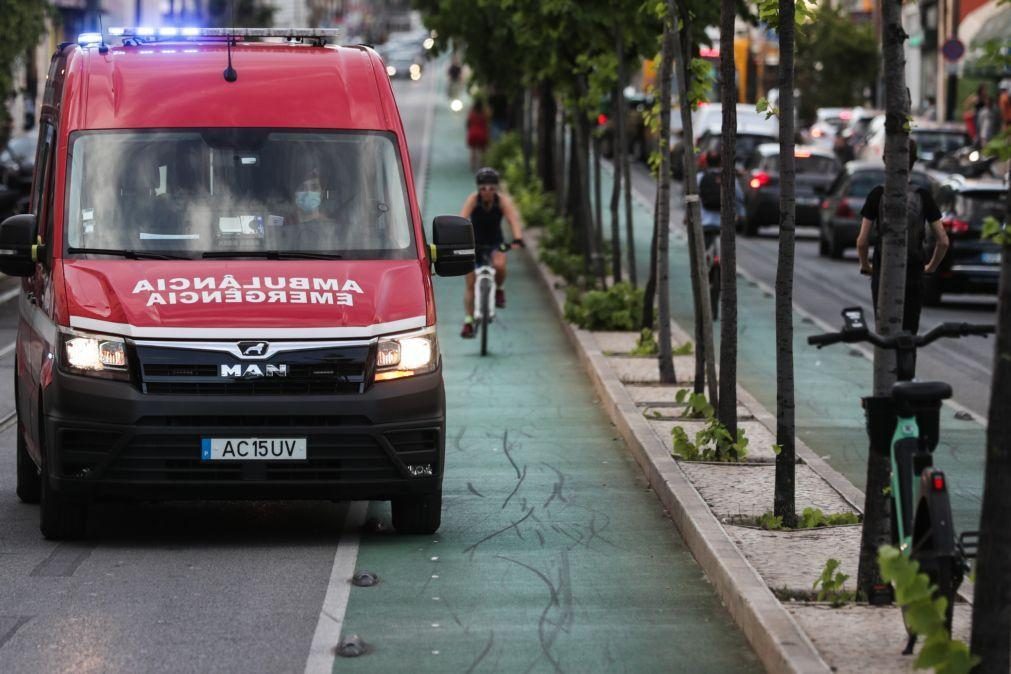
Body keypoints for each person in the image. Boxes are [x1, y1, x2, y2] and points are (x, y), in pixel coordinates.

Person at [856, 139, 949, 336]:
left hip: (884, 271)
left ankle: (885, 365)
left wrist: (866, 266)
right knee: (909, 334)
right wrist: (930, 267)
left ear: (884, 159)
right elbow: (943, 241)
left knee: (885, 331)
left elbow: (862, 241)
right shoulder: (923, 195)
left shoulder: (877, 194)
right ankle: (906, 364)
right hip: (914, 270)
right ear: (914, 161)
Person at [458, 167, 524, 338]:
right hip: (475, 243)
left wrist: (517, 238)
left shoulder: (502, 201)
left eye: (491, 188)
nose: (487, 191)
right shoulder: (473, 200)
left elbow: (513, 219)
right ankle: (468, 321)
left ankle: (499, 289)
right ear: (478, 189)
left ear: (496, 189)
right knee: (470, 282)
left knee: (500, 265)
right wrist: (457, 237)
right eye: (483, 188)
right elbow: (462, 219)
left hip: (496, 242)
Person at [696, 148, 744, 232]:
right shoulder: (729, 177)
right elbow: (739, 196)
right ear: (720, 162)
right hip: (725, 221)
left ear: (706, 162)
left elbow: (692, 196)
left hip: (703, 219)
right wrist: (741, 214)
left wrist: (688, 214)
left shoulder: (700, 177)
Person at [466, 100, 490, 171]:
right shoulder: (484, 114)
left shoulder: (471, 114)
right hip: (482, 134)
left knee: (473, 151)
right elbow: (487, 123)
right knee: (483, 151)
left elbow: (468, 124)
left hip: (473, 134)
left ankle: (473, 166)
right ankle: (482, 166)